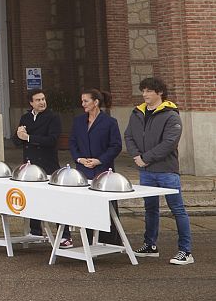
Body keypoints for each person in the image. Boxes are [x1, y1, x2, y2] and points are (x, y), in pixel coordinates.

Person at [123, 77, 193, 266]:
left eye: (148, 91)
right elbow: (128, 135)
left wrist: (146, 158)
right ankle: (150, 245)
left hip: (167, 172)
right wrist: (136, 155)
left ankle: (185, 251)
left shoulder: (171, 115)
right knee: (150, 209)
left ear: (159, 92)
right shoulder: (137, 113)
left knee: (177, 210)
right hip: (146, 172)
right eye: (143, 90)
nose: (144, 94)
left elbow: (169, 143)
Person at [13, 89, 71, 247]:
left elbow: (52, 140)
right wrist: (19, 135)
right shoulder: (25, 117)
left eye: (43, 99)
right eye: (38, 100)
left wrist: (29, 137)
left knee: (55, 201)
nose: (42, 102)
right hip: (30, 167)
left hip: (48, 165)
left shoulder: (53, 117)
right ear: (31, 103)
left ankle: (65, 235)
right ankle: (35, 231)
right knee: (32, 199)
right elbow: (17, 141)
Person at [69, 88, 123, 245]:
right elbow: (72, 142)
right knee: (86, 206)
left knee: (107, 207)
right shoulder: (78, 121)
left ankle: (111, 241)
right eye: (82, 101)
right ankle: (89, 239)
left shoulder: (109, 122)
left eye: (85, 101)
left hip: (103, 170)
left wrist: (99, 160)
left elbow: (115, 146)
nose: (82, 104)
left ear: (96, 102)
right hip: (83, 170)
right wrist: (79, 159)